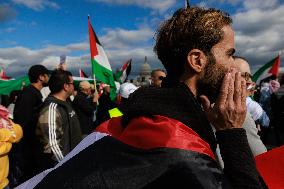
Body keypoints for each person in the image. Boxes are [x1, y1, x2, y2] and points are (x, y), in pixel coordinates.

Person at [17, 6, 264, 188]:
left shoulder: (140, 122)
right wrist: (231, 133)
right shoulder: (179, 147)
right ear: (198, 60)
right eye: (229, 54)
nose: (234, 66)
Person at [9, 65, 49, 186]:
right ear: (41, 77)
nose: (49, 77)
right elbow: (23, 121)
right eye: (47, 75)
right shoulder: (28, 94)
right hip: (27, 147)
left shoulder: (34, 93)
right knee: (26, 178)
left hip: (31, 146)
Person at [34, 70, 82, 172]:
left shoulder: (65, 103)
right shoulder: (52, 108)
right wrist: (65, 164)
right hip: (63, 166)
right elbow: (52, 144)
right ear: (66, 86)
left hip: (73, 159)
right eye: (72, 83)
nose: (74, 86)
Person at [233, 56, 267, 155]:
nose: (249, 82)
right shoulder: (238, 113)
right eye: (243, 75)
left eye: (249, 76)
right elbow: (261, 157)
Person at [0, 105, 23, 189]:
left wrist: (2, 135)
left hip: (3, 182)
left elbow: (18, 132)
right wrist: (9, 143)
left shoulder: (1, 114)